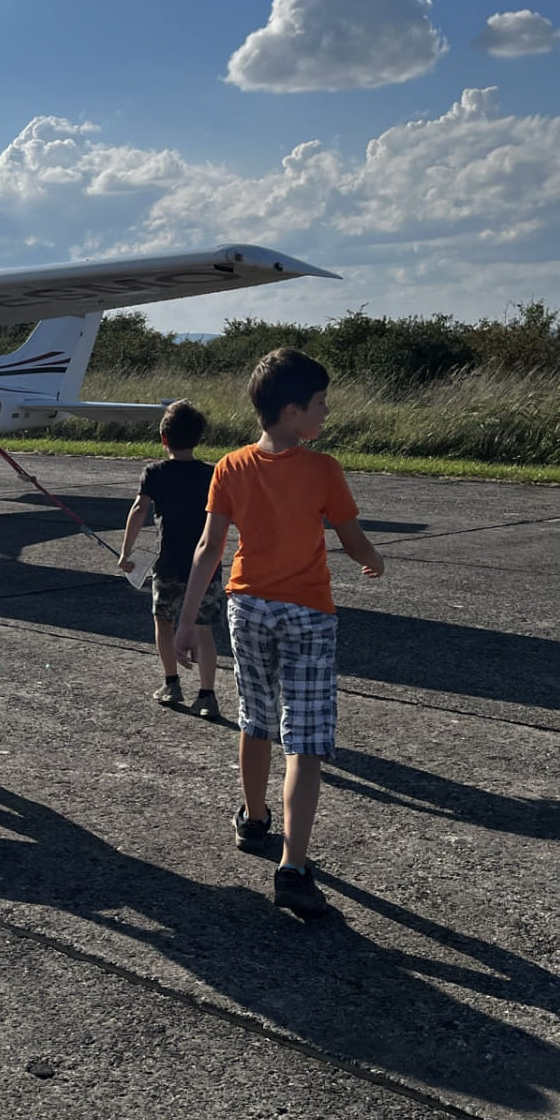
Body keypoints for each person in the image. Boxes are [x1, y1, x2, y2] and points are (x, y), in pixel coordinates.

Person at [173, 348, 384, 920]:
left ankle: (254, 817)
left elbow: (209, 549)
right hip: (308, 614)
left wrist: (187, 622)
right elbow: (351, 537)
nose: (325, 413)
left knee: (256, 719)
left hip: (248, 610)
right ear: (293, 412)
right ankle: (293, 865)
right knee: (307, 741)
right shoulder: (323, 469)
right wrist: (374, 562)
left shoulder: (231, 466)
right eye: (319, 404)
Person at [118, 399, 222, 718]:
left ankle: (171, 682)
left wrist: (126, 552)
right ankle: (207, 694)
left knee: (163, 621)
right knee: (204, 629)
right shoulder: (213, 473)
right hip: (206, 568)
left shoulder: (155, 472)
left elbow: (138, 510)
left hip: (168, 564)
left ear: (164, 438)